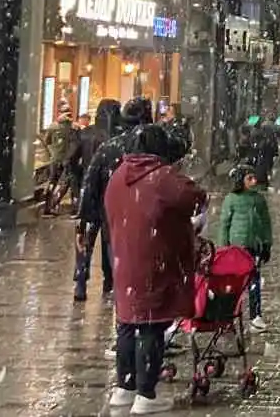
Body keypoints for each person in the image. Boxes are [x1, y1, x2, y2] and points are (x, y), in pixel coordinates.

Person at [104, 123, 206, 415]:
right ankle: (146, 394)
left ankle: (124, 388)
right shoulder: (161, 176)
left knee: (126, 322)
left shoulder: (119, 174)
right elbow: (194, 196)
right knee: (151, 325)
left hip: (124, 260)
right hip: (154, 260)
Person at [74, 97, 151, 303]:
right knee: (111, 242)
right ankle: (112, 283)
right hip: (113, 201)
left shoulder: (89, 135)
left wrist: (82, 212)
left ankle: (81, 281)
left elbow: (83, 172)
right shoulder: (122, 141)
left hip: (94, 197)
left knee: (86, 243)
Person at [215, 164, 272, 333]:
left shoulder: (259, 199)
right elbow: (224, 224)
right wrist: (223, 247)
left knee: (254, 281)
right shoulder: (231, 199)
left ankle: (255, 316)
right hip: (236, 248)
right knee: (233, 284)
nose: (254, 181)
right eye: (249, 178)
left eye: (254, 177)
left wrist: (267, 243)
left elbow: (266, 223)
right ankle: (228, 317)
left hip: (254, 247)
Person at [40, 114, 79, 216]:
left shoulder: (52, 127)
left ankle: (47, 207)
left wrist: (52, 153)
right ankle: (61, 205)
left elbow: (46, 141)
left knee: (52, 182)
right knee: (67, 183)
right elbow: (74, 145)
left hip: (55, 159)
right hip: (67, 160)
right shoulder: (73, 129)